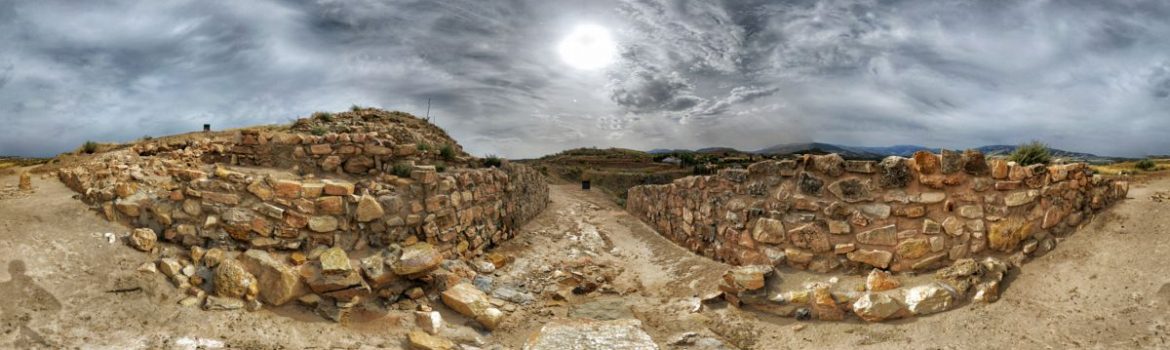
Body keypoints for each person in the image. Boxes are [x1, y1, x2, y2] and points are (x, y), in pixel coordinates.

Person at [0, 260, 59, 347]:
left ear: (24, 270)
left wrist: (34, 311)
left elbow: (56, 306)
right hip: (6, 327)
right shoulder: (2, 288)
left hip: (27, 328)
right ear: (9, 271)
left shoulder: (34, 289)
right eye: (15, 269)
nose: (18, 272)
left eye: (20, 269)